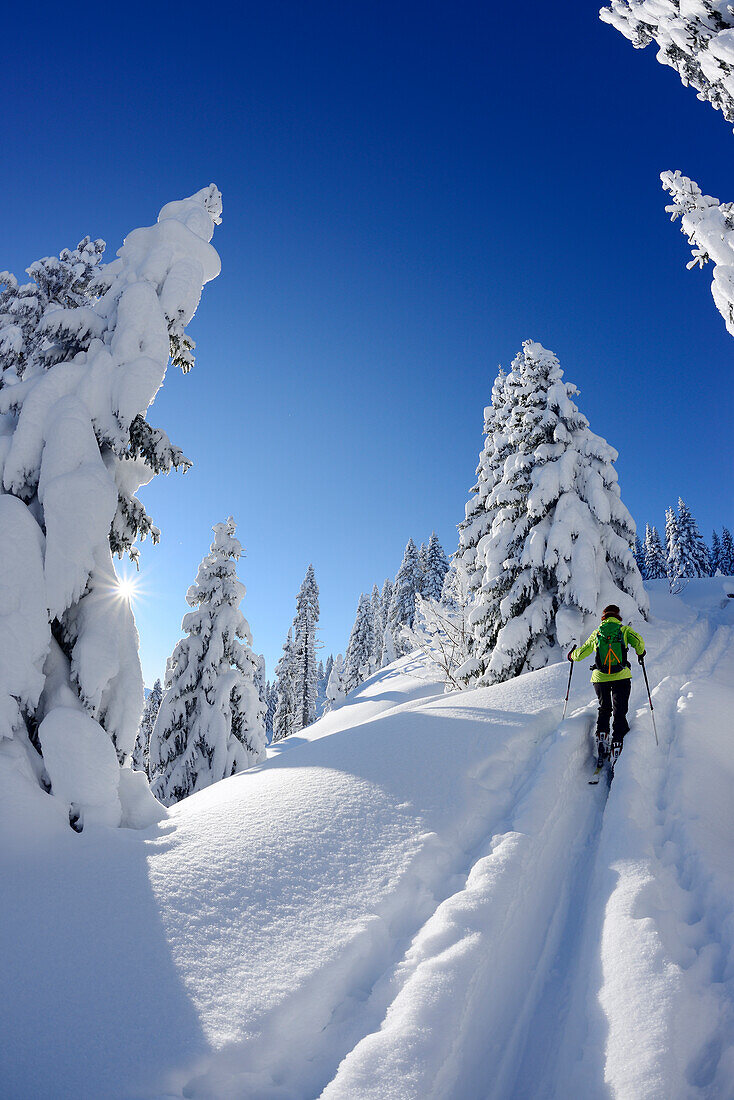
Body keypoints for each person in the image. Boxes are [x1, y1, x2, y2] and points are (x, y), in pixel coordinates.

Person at [567, 604, 645, 767]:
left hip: (600, 677)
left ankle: (602, 735)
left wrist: (571, 655)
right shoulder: (623, 631)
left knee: (604, 708)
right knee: (619, 710)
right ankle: (617, 743)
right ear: (618, 616)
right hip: (621, 676)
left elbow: (582, 653)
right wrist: (640, 652)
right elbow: (639, 642)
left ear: (603, 617)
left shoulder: (597, 633)